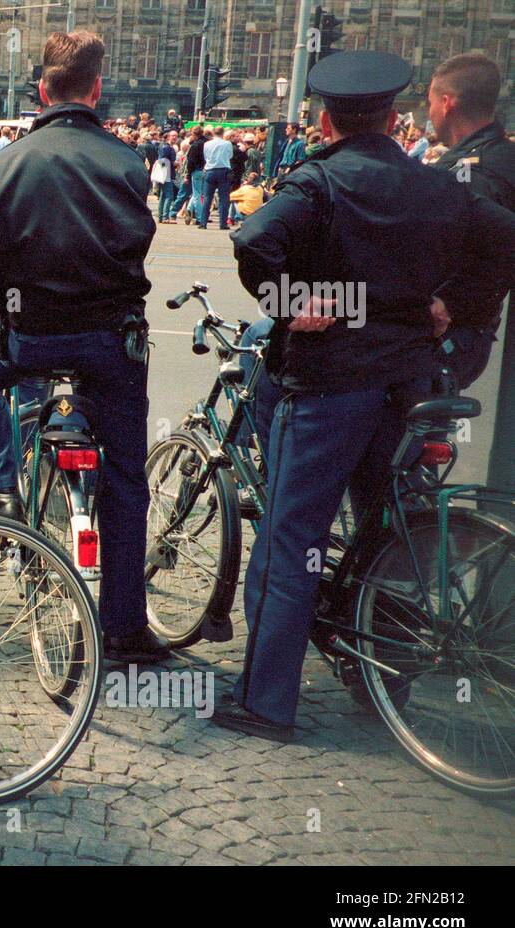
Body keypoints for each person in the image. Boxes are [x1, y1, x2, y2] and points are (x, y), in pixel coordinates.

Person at [213, 51, 515, 742]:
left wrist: (291, 303)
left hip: (329, 386)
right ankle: (385, 679)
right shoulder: (439, 185)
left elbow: (254, 238)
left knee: (293, 538)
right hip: (408, 385)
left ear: (325, 118)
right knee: (390, 532)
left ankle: (264, 702)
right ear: (392, 117)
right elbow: (506, 242)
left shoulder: (318, 182)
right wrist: (456, 307)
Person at [0, 31, 167, 665]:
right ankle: (125, 630)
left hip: (31, 338)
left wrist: (8, 303)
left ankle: (1, 491)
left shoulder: (6, 161)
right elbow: (138, 245)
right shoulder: (127, 162)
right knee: (128, 483)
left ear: (43, 90)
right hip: (112, 343)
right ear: (96, 90)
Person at [429, 52, 515, 390]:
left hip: (448, 333)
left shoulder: (468, 173)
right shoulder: (505, 158)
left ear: (447, 103)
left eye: (432, 102)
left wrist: (447, 303)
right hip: (472, 332)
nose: (431, 113)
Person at [199, 126, 233, 229]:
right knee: (223, 198)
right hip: (223, 170)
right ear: (223, 133)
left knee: (207, 198)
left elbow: (206, 157)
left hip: (210, 170)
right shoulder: (227, 144)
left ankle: (203, 222)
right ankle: (223, 223)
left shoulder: (207, 144)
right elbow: (230, 156)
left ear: (213, 133)